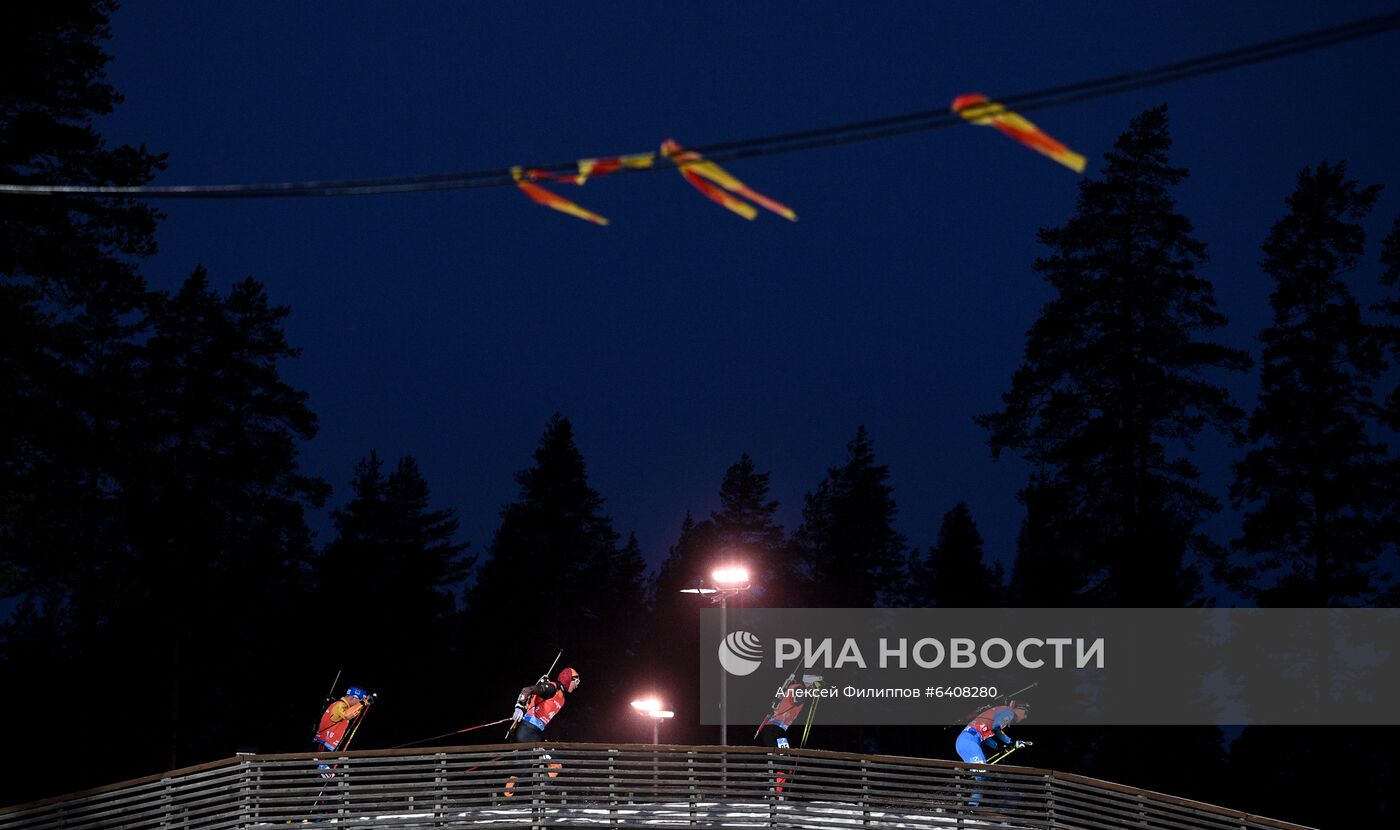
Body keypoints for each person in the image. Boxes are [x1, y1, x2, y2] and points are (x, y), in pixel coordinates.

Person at [510, 667, 581, 742]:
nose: (576, 686)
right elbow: (527, 690)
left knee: (553, 752)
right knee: (546, 753)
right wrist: (519, 706)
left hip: (537, 732)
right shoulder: (552, 688)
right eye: (577, 681)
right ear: (568, 679)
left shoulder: (562, 699)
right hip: (527, 729)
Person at [757, 674, 823, 749]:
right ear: (811, 681)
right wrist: (809, 691)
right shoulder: (799, 688)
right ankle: (781, 758)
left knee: (777, 746)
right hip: (777, 724)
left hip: (780, 726)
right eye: (817, 683)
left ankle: (781, 757)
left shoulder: (793, 686)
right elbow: (797, 698)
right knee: (774, 744)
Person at [955, 699, 1029, 765]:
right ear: (1019, 709)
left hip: (965, 740)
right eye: (1026, 713)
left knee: (982, 773)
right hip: (969, 740)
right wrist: (1011, 742)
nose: (1025, 717)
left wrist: (998, 747)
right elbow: (995, 729)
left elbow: (984, 736)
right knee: (983, 774)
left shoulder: (1002, 711)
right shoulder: (1009, 712)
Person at [311, 686, 374, 752]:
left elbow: (352, 714)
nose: (357, 705)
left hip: (326, 745)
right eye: (359, 701)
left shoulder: (345, 707)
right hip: (322, 744)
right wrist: (362, 703)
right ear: (353, 698)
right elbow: (347, 715)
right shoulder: (340, 705)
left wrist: (365, 703)